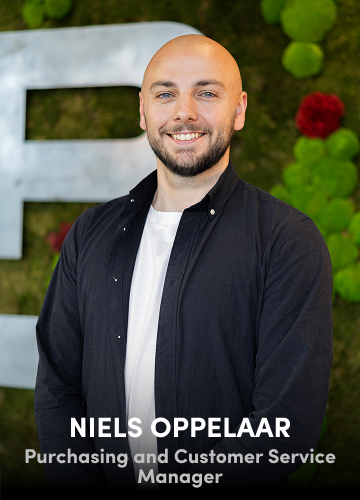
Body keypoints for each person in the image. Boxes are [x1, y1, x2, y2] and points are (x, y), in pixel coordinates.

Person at [34, 34, 333, 491]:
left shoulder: (286, 240)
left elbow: (286, 422)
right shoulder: (89, 234)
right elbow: (57, 389)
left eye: (207, 93)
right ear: (143, 109)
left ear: (240, 109)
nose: (184, 111)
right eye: (165, 93)